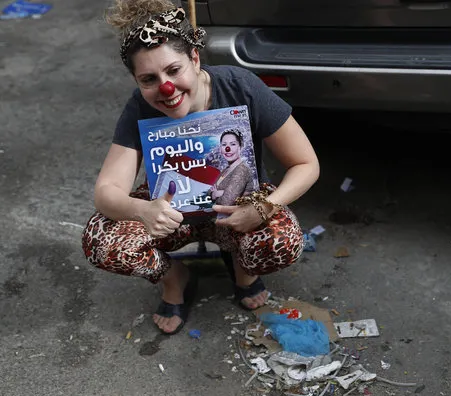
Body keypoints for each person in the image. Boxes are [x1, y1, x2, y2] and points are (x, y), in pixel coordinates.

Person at [81, 0, 320, 335]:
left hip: (238, 209)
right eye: (149, 79)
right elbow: (106, 192)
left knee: (283, 239)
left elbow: (306, 163)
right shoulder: (139, 108)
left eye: (173, 70)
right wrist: (143, 209)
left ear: (194, 59)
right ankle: (175, 278)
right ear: (136, 81)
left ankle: (242, 267)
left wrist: (264, 207)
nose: (166, 88)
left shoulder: (239, 86)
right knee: (102, 240)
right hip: (172, 217)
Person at [210, 129, 256, 206]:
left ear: (240, 147)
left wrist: (217, 193)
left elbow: (226, 202)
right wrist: (215, 194)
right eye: (224, 145)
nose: (228, 149)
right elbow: (210, 192)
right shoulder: (226, 169)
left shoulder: (241, 170)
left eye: (233, 144)